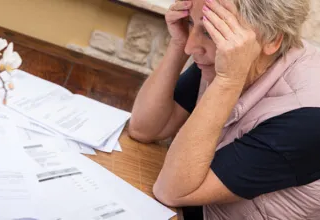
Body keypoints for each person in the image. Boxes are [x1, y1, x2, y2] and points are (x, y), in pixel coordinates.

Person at [129, 0, 320, 219]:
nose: (191, 47)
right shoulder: (230, 54)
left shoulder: (309, 120)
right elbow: (144, 128)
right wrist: (177, 43)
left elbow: (171, 190)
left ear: (272, 39)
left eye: (211, 32)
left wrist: (229, 80)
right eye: (190, 22)